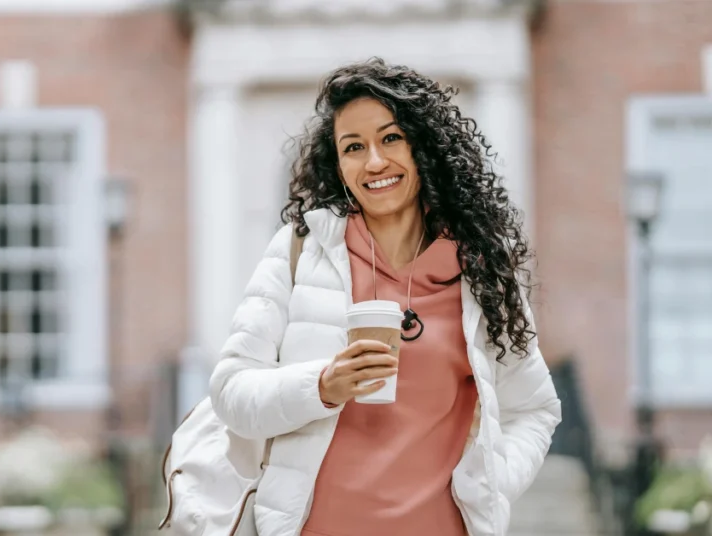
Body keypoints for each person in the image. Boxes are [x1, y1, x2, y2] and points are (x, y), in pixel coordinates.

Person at [208, 58, 561, 536]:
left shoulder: (483, 270)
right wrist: (323, 385)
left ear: (425, 147)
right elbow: (231, 392)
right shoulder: (301, 250)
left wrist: (492, 483)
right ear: (338, 164)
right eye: (353, 147)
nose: (374, 162)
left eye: (391, 138)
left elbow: (534, 408)